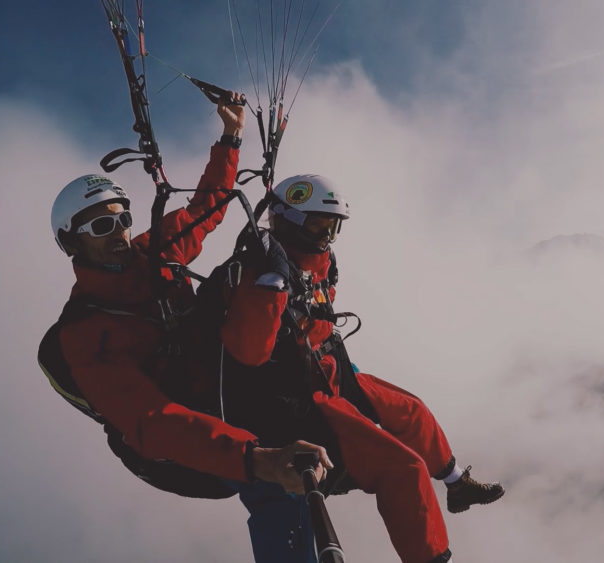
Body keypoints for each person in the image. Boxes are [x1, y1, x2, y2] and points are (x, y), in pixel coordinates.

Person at [37, 95, 333, 561]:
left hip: (215, 382)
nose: (116, 232)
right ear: (71, 243)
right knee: (276, 486)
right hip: (171, 447)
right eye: (99, 226)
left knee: (244, 276)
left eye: (121, 219)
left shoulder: (153, 254)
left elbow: (205, 209)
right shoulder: (84, 333)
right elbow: (149, 421)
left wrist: (231, 136)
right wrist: (258, 459)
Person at [196, 174, 505, 563]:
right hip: (301, 394)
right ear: (289, 221)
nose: (327, 235)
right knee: (404, 469)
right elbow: (251, 353)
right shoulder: (258, 274)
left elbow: (318, 313)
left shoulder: (315, 260)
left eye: (333, 226)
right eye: (317, 225)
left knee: (412, 410)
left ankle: (457, 483)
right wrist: (271, 287)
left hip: (330, 367)